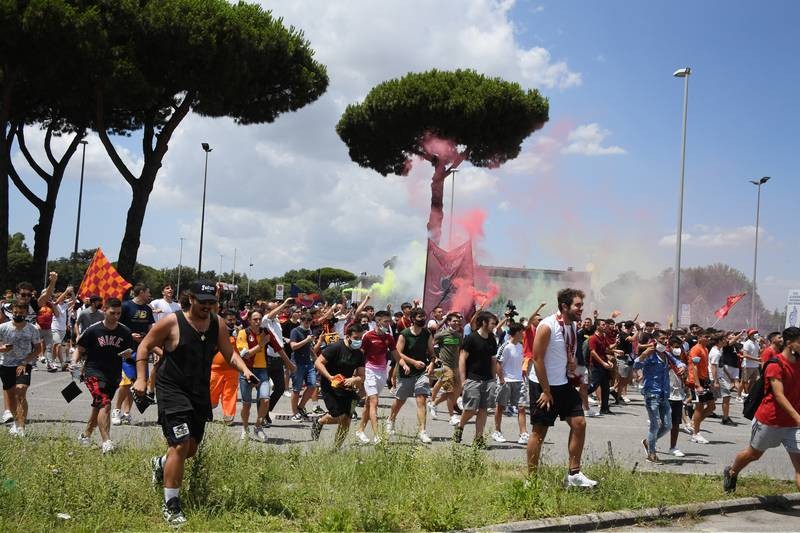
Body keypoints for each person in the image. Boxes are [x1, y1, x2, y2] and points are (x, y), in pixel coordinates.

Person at [133, 280, 256, 526]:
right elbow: (145, 345)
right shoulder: (172, 322)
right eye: (203, 302)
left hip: (199, 392)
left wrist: (244, 369)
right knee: (179, 444)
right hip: (172, 389)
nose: (207, 307)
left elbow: (229, 352)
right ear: (191, 299)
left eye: (212, 303)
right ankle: (171, 504)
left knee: (190, 449)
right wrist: (140, 379)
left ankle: (160, 464)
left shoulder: (217, 324)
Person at [527, 288, 597, 487]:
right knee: (539, 433)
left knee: (579, 423)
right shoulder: (547, 326)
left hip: (563, 384)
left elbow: (564, 349)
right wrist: (547, 391)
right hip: (543, 386)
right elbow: (537, 359)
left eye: (581, 305)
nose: (581, 309)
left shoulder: (572, 326)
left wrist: (570, 363)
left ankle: (573, 475)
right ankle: (531, 480)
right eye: (578, 305)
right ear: (565, 306)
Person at [724, 327, 800, 492]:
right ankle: (732, 471)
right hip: (770, 420)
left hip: (793, 425)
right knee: (753, 455)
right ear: (789, 343)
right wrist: (797, 416)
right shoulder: (776, 364)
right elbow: (779, 396)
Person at [73, 298, 134, 453]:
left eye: (119, 313)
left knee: (98, 406)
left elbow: (128, 352)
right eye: (112, 313)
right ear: (104, 310)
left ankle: (85, 435)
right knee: (105, 404)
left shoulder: (125, 331)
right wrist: (73, 363)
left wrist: (128, 354)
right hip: (93, 372)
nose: (116, 316)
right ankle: (106, 441)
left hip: (113, 374)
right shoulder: (93, 330)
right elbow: (79, 348)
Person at [236, 310, 292, 441]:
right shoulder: (243, 333)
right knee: (246, 404)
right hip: (247, 371)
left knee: (265, 400)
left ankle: (258, 427)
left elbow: (279, 348)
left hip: (262, 370)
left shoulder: (266, 332)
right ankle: (245, 428)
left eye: (259, 319)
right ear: (249, 320)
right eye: (254, 319)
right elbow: (246, 354)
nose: (257, 322)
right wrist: (261, 344)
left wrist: (289, 364)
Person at [633, 330, 686, 463]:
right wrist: (644, 354)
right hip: (652, 393)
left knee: (668, 425)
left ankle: (648, 441)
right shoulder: (650, 354)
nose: (665, 341)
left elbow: (678, 362)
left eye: (666, 339)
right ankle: (652, 454)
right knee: (655, 425)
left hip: (664, 394)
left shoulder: (666, 354)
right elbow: (636, 365)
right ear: (655, 340)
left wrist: (682, 366)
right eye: (662, 339)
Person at [311, 323, 366, 446]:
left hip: (347, 388)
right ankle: (319, 421)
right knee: (339, 416)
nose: (359, 341)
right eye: (356, 338)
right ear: (347, 337)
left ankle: (336, 449)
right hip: (330, 387)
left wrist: (355, 379)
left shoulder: (359, 354)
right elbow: (318, 363)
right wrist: (330, 377)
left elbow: (362, 375)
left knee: (347, 420)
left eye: (360, 338)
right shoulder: (335, 348)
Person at [386, 308, 436, 444]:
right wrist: (412, 362)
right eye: (420, 317)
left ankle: (422, 431)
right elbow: (397, 353)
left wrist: (431, 363)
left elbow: (432, 353)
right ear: (413, 319)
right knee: (400, 400)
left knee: (421, 400)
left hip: (422, 373)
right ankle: (391, 419)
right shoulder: (405, 334)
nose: (423, 319)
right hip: (406, 372)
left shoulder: (427, 334)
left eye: (424, 316)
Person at [453, 311, 498, 447]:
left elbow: (493, 360)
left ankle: (478, 438)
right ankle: (460, 427)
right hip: (473, 378)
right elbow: (462, 359)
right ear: (484, 323)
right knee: (471, 409)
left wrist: (494, 379)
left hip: (488, 380)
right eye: (492, 323)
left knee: (484, 409)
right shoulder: (471, 338)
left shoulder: (492, 338)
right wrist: (463, 380)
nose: (494, 326)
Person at [113, 283, 155, 425]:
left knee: (136, 383)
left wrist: (150, 342)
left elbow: (151, 329)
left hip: (142, 350)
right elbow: (116, 325)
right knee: (125, 382)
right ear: (141, 292)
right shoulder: (125, 306)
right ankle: (116, 410)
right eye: (148, 292)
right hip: (126, 350)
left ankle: (126, 413)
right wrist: (130, 335)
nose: (150, 295)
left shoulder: (148, 309)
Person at [355, 310, 398, 444]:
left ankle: (360, 430)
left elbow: (396, 355)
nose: (388, 323)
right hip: (369, 371)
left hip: (382, 372)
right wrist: (357, 373)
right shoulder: (368, 336)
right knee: (374, 402)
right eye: (385, 321)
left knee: (368, 404)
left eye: (389, 321)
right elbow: (360, 355)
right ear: (378, 321)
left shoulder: (389, 337)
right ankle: (377, 435)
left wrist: (405, 365)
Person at [0, 300, 42, 437]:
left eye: (21, 313)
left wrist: (25, 361)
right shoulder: (3, 327)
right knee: (12, 396)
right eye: (16, 312)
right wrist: (3, 349)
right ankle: (15, 423)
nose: (18, 315)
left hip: (24, 364)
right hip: (6, 364)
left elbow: (38, 349)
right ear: (12, 311)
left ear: (26, 313)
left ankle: (22, 427)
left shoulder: (32, 329)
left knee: (20, 392)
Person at [491, 323, 529, 445]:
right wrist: (501, 379)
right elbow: (498, 363)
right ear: (517, 333)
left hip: (519, 381)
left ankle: (523, 433)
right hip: (506, 381)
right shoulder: (505, 346)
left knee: (521, 407)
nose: (523, 334)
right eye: (522, 332)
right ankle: (497, 431)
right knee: (500, 407)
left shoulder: (520, 345)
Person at [430, 312, 464, 426]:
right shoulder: (442, 334)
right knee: (450, 392)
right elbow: (431, 345)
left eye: (458, 321)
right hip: (446, 366)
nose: (456, 323)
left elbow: (460, 350)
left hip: (456, 366)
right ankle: (452, 416)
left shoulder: (459, 336)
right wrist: (435, 358)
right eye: (454, 321)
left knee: (457, 391)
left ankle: (434, 403)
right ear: (448, 322)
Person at [209, 310, 240, 424]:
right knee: (211, 393)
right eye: (229, 320)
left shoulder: (239, 332)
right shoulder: (215, 331)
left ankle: (228, 416)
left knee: (230, 394)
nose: (232, 322)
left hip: (232, 370)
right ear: (223, 320)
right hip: (215, 369)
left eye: (234, 320)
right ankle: (208, 411)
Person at [289, 313, 319, 421]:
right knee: (296, 388)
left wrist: (317, 359)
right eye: (306, 321)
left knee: (312, 385)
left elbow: (309, 348)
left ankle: (300, 407)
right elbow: (293, 346)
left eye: (310, 321)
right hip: (297, 362)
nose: (308, 323)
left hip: (308, 362)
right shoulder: (295, 331)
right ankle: (294, 413)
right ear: (301, 321)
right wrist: (306, 340)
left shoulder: (309, 331)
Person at [688, 329, 715, 444]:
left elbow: (704, 366)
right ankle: (696, 433)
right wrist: (698, 385)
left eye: (709, 337)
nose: (708, 339)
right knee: (699, 407)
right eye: (706, 337)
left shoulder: (705, 349)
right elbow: (694, 367)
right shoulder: (696, 349)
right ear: (699, 337)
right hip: (696, 381)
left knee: (711, 406)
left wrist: (708, 379)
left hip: (704, 380)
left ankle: (693, 424)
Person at [666, 335, 688, 457]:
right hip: (665, 395)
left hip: (677, 395)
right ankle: (650, 442)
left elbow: (684, 378)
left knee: (675, 424)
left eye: (679, 347)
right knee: (663, 424)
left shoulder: (681, 362)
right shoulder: (665, 358)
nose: (678, 349)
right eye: (675, 347)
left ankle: (673, 447)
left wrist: (684, 372)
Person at [709, 333, 737, 426]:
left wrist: (729, 375)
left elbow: (720, 366)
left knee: (712, 398)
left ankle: (708, 412)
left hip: (719, 376)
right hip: (717, 377)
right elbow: (713, 367)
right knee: (727, 396)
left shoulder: (719, 350)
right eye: (724, 339)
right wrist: (716, 381)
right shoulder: (715, 353)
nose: (727, 340)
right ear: (720, 341)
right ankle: (725, 418)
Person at [588, 320, 614, 415]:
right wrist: (603, 363)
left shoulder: (602, 337)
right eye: (603, 325)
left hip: (604, 366)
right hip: (596, 366)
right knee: (593, 386)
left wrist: (608, 361)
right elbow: (593, 352)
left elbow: (606, 350)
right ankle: (578, 398)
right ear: (597, 326)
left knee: (606, 387)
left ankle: (605, 408)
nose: (605, 326)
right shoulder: (593, 338)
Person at [740, 329, 761, 397]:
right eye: (755, 333)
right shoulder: (747, 343)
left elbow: (758, 352)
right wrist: (757, 359)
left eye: (756, 333)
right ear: (750, 335)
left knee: (756, 380)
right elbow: (745, 355)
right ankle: (739, 395)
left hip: (755, 365)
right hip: (747, 365)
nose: (756, 334)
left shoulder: (756, 343)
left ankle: (749, 394)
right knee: (744, 381)